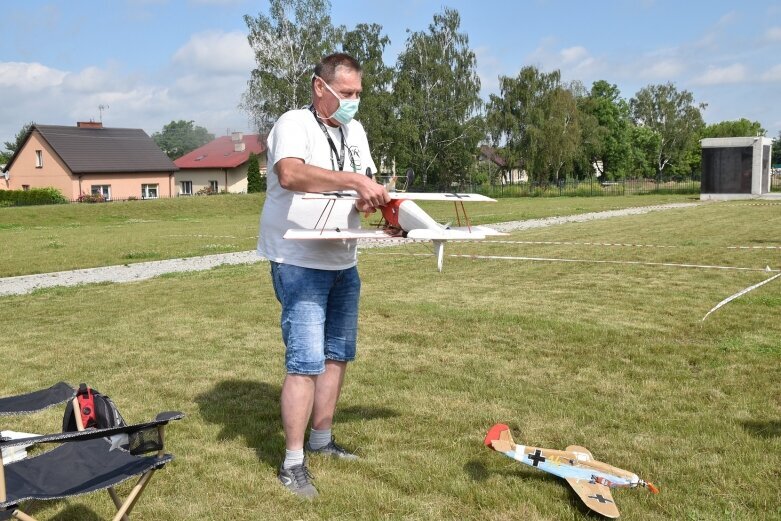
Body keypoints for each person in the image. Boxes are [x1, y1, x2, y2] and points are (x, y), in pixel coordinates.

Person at [257, 52, 390, 499]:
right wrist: (353, 181)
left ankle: (322, 441)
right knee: (305, 362)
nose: (354, 102)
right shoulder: (293, 123)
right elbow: (290, 174)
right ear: (320, 87)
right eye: (346, 93)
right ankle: (292, 462)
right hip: (299, 262)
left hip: (343, 261)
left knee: (337, 355)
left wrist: (381, 207)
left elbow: (363, 184)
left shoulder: (356, 131)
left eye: (358, 94)